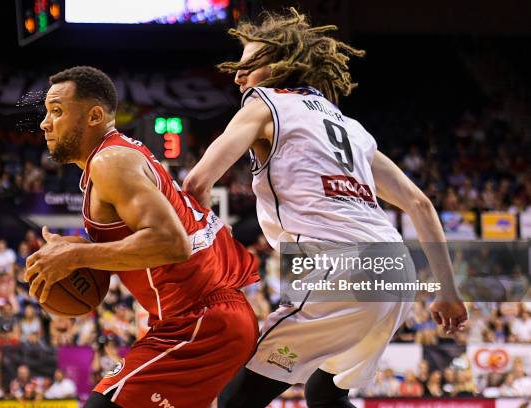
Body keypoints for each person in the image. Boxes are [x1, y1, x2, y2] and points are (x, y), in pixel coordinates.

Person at [183, 8, 468, 408]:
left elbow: (196, 183)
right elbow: (419, 202)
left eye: (246, 65)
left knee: (234, 397)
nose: (237, 76)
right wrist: (448, 291)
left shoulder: (264, 104)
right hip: (395, 269)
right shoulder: (352, 128)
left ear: (279, 65)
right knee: (325, 393)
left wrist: (202, 269)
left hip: (340, 265)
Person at [25, 66, 260, 408]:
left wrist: (75, 257)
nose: (46, 122)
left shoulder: (110, 162)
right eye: (47, 112)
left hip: (202, 321)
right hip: (190, 320)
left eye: (57, 111)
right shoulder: (115, 158)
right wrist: (84, 249)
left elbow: (171, 243)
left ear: (94, 116)